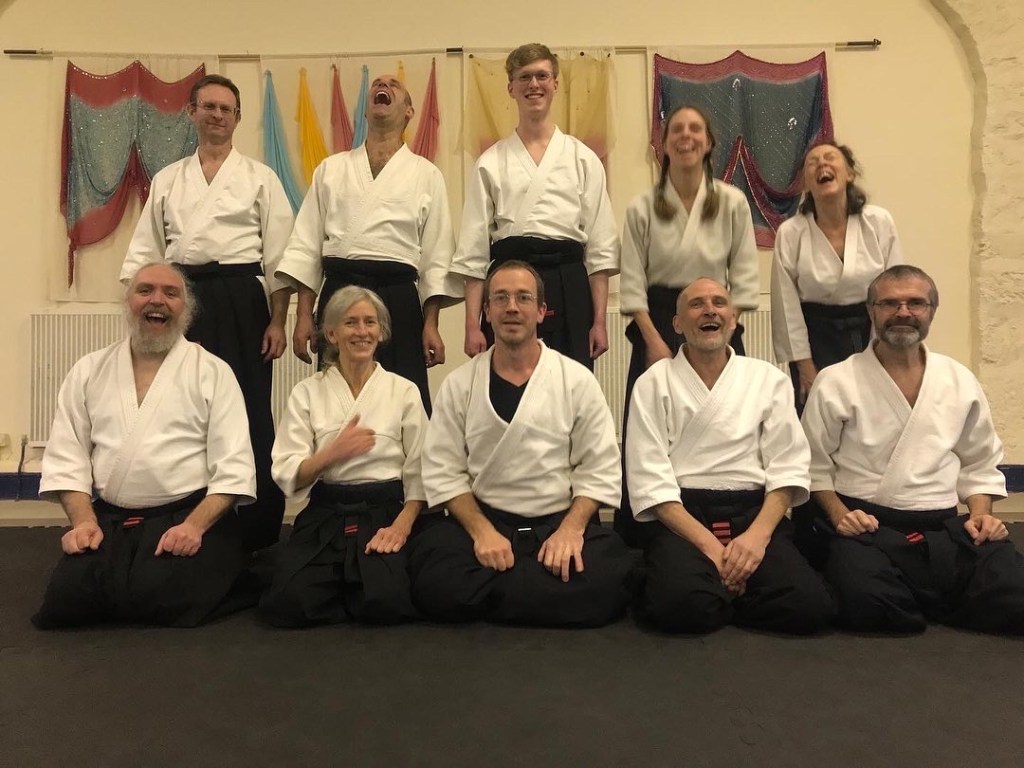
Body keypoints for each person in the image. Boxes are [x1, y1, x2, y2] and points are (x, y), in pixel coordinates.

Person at [121, 74, 294, 552]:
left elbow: (281, 258)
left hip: (242, 298)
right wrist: (146, 312)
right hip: (182, 299)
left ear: (237, 118)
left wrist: (278, 320)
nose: (217, 115)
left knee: (250, 405)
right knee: (181, 404)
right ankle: (182, 510)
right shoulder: (168, 179)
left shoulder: (260, 178)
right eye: (209, 106)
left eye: (226, 108)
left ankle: (257, 523)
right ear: (192, 112)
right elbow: (145, 256)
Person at [801, 265, 1024, 634]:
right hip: (866, 527)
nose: (903, 312)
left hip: (944, 528)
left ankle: (923, 596)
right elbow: (812, 465)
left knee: (1017, 594)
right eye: (890, 303)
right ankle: (943, 597)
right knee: (869, 604)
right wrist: (840, 515)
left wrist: (981, 516)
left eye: (916, 303)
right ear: (871, 311)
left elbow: (979, 462)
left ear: (931, 311)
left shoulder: (958, 379)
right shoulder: (836, 380)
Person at [409, 260, 632, 627]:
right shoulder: (460, 384)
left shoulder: (576, 380)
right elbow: (443, 470)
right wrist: (482, 533)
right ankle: (539, 593)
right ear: (486, 311)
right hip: (486, 523)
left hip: (556, 525)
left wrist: (571, 530)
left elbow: (599, 467)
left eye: (523, 298)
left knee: (610, 571)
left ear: (542, 311)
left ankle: (495, 592)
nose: (511, 307)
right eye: (501, 298)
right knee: (432, 573)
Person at [33, 264, 256, 629]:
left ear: (187, 309)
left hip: (184, 515)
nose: (157, 300)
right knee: (66, 601)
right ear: (128, 302)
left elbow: (234, 468)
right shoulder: (89, 370)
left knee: (166, 596)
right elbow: (67, 458)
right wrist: (84, 523)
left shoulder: (213, 372)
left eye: (171, 293)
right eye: (145, 290)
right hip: (110, 520)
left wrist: (194, 527)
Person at [625, 278, 833, 634]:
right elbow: (649, 478)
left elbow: (788, 467)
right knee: (680, 607)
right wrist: (712, 549)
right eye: (696, 304)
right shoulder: (653, 383)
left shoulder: (768, 379)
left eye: (719, 303)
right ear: (677, 324)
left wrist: (756, 540)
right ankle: (720, 588)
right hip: (684, 518)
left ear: (734, 319)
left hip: (755, 514)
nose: (710, 310)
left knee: (809, 606)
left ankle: (718, 592)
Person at [616, 104, 759, 545]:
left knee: (730, 416)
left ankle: (735, 515)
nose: (686, 136)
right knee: (648, 421)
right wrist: (654, 341)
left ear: (709, 142)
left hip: (717, 318)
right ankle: (645, 530)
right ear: (663, 145)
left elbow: (745, 279)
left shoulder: (732, 202)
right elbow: (632, 284)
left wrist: (725, 326)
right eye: (676, 129)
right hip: (659, 320)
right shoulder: (642, 207)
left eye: (695, 129)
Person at [276, 74, 459, 412]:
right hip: (339, 292)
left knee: (402, 400)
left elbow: (437, 256)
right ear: (367, 109)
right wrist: (303, 316)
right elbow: (306, 246)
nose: (382, 85)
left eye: (394, 85)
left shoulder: (427, 175)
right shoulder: (331, 169)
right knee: (335, 400)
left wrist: (431, 324)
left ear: (409, 111)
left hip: (398, 298)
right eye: (377, 84)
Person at [260, 286, 427, 627]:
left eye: (370, 322)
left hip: (385, 511)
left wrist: (401, 526)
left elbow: (421, 469)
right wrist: (331, 454)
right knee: (288, 604)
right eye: (350, 322)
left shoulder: (403, 390)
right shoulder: (307, 392)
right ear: (332, 334)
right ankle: (348, 581)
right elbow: (288, 470)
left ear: (381, 332)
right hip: (326, 512)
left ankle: (352, 582)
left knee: (388, 602)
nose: (362, 331)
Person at [452, 43, 619, 370]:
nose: (534, 84)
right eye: (524, 77)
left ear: (555, 84)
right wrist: (472, 324)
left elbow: (601, 248)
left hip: (569, 282)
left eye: (542, 76)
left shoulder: (582, 159)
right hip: (509, 281)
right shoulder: (490, 162)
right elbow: (473, 251)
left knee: (570, 384)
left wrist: (599, 321)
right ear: (511, 87)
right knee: (507, 382)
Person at [771, 141, 903, 410]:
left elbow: (896, 289)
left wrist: (886, 353)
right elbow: (786, 305)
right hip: (815, 338)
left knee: (873, 414)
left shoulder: (878, 222)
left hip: (871, 333)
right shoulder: (791, 232)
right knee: (818, 414)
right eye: (812, 162)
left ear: (850, 174)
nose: (822, 163)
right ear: (805, 183)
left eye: (830, 157)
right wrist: (805, 366)